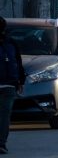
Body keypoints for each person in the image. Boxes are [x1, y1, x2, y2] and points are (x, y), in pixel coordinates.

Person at [0, 17, 26, 155]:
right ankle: (1, 144)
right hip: (9, 85)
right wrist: (21, 82)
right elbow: (19, 63)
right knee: (4, 116)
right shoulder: (11, 43)